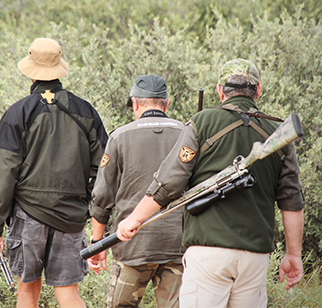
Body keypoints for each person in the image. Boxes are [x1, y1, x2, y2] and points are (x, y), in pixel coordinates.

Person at [117, 58, 305, 308]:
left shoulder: (202, 122)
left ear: (220, 90)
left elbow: (169, 184)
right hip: (256, 256)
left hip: (208, 251)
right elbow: (292, 201)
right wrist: (293, 254)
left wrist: (134, 219)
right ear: (258, 90)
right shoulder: (277, 132)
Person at [0, 38, 108, 308]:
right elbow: (105, 168)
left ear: (30, 72)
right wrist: (85, 204)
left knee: (27, 293)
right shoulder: (86, 112)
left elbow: (3, 175)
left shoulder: (18, 114)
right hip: (71, 218)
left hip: (27, 216)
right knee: (69, 294)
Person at [88, 75, 185, 308]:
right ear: (167, 103)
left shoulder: (120, 136)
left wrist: (97, 242)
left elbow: (102, 195)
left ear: (135, 103)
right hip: (178, 245)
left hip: (132, 244)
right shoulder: (186, 133)